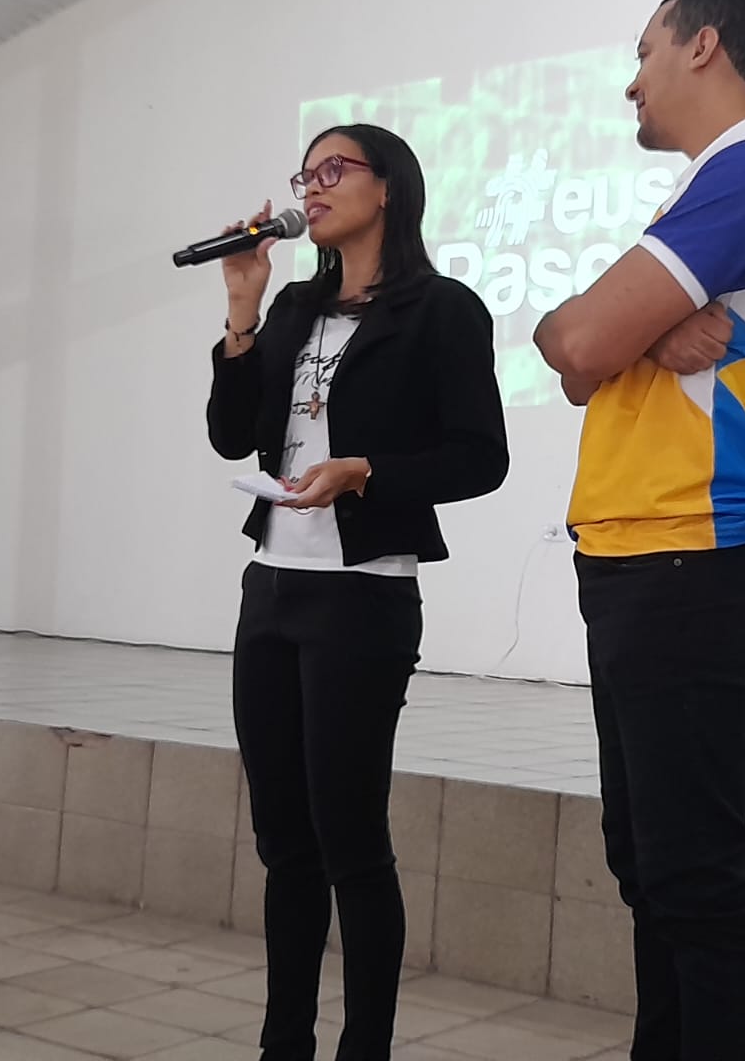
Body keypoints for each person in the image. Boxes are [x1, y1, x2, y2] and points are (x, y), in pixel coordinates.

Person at [533, 0, 745, 1060]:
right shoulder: (706, 187)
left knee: (693, 875)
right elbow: (565, 345)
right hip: (634, 549)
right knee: (647, 864)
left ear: (703, 45)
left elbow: (579, 345)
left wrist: (610, 332)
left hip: (697, 551)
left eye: (644, 51)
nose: (632, 81)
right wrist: (638, 333)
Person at [207, 124, 508, 1061]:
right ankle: (283, 1044)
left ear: (388, 188)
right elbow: (232, 436)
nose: (314, 186)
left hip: (362, 597)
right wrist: (243, 311)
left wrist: (366, 471)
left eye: (334, 170)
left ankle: (363, 1048)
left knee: (350, 843)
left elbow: (481, 458)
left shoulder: (442, 310)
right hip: (272, 590)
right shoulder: (293, 307)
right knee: (283, 844)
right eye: (306, 174)